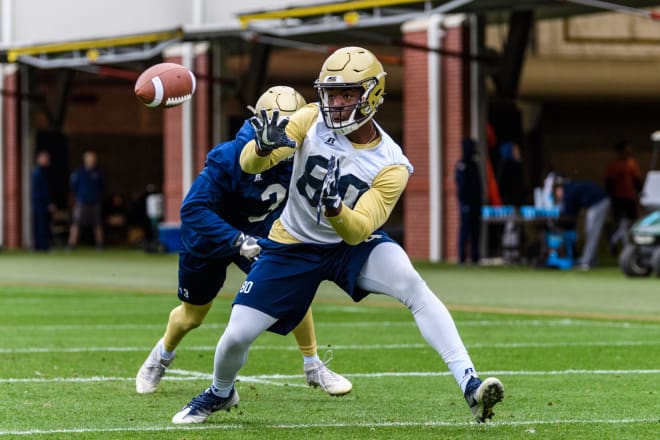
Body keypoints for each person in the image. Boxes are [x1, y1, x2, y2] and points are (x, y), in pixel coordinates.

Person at [172, 47, 504, 425]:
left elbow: (359, 229)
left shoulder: (392, 163)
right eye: (332, 93)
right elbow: (253, 163)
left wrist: (335, 210)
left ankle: (469, 384)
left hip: (347, 245)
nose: (337, 103)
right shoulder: (309, 118)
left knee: (412, 284)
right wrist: (262, 146)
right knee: (235, 337)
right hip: (292, 243)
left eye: (347, 94)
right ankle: (220, 392)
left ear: (372, 95)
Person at [136, 86, 351, 397]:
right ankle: (161, 356)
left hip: (260, 233)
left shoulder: (298, 156)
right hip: (210, 238)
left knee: (293, 282)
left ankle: (313, 364)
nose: (285, 136)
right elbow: (192, 209)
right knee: (192, 316)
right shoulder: (230, 155)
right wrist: (235, 239)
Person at [552, 177, 611, 270]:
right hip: (597, 203)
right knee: (589, 232)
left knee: (592, 233)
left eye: (556, 192)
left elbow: (570, 216)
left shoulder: (568, 193)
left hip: (599, 202)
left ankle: (586, 262)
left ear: (559, 189)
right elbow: (573, 213)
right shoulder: (570, 189)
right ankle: (591, 259)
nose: (557, 195)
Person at [605, 140, 642, 254]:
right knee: (623, 223)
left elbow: (637, 181)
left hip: (630, 198)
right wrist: (612, 199)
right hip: (619, 199)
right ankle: (627, 249)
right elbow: (609, 184)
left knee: (631, 223)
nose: (629, 151)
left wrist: (640, 193)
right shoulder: (614, 166)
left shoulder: (632, 164)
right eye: (627, 149)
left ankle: (614, 239)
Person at [67, 150, 104, 249]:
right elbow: (73, 186)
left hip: (95, 202)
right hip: (82, 201)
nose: (91, 160)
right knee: (76, 223)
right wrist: (80, 196)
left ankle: (100, 244)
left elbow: (102, 187)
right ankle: (71, 244)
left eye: (92, 158)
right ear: (85, 159)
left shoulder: (98, 173)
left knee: (97, 223)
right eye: (89, 158)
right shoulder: (79, 172)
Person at [455, 138, 483, 265]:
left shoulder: (474, 164)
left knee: (476, 231)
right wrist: (464, 203)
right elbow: (461, 187)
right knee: (465, 231)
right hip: (466, 204)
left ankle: (475, 257)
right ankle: (461, 257)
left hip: (476, 204)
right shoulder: (462, 165)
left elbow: (478, 186)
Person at [31, 150, 56, 251]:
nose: (47, 160)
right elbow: (40, 191)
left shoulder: (44, 172)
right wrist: (47, 203)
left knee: (43, 225)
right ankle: (42, 246)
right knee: (41, 225)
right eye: (45, 158)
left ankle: (40, 246)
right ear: (39, 159)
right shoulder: (37, 173)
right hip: (40, 204)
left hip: (42, 203)